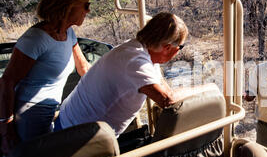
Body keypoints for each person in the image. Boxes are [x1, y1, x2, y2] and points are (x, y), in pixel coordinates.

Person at [56, 12, 216, 137]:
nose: (179, 51)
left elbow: (163, 86)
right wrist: (210, 88)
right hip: (76, 135)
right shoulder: (136, 61)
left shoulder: (139, 49)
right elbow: (167, 99)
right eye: (180, 47)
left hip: (76, 125)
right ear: (167, 47)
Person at [0, 0, 92, 154]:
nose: (87, 11)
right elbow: (7, 81)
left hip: (52, 109)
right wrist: (6, 129)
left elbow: (84, 68)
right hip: (29, 115)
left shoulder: (69, 33)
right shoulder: (36, 39)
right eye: (86, 5)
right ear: (68, 5)